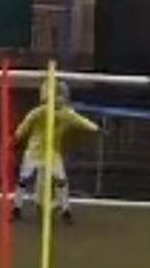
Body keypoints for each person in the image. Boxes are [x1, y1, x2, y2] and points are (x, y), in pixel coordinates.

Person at [12, 81, 99, 225]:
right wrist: (16, 137)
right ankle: (16, 208)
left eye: (62, 96)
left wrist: (97, 129)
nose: (60, 99)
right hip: (35, 151)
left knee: (61, 180)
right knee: (23, 179)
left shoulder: (67, 114)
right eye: (57, 95)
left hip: (53, 152)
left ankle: (66, 211)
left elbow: (82, 121)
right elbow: (25, 124)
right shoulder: (39, 112)